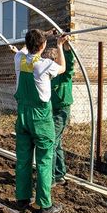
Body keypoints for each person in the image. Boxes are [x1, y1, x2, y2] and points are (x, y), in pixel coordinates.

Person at [11, 29, 67, 213]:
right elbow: (63, 68)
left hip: (23, 117)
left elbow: (25, 48)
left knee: (23, 159)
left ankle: (22, 198)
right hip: (41, 119)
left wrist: (43, 34)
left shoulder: (18, 59)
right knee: (44, 160)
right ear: (43, 46)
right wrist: (59, 44)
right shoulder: (45, 65)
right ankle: (44, 205)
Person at [42, 38, 75, 186]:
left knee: (52, 142)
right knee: (58, 142)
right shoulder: (50, 75)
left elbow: (69, 65)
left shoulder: (63, 74)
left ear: (56, 60)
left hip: (62, 110)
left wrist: (64, 47)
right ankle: (60, 174)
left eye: (49, 60)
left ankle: (51, 178)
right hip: (52, 110)